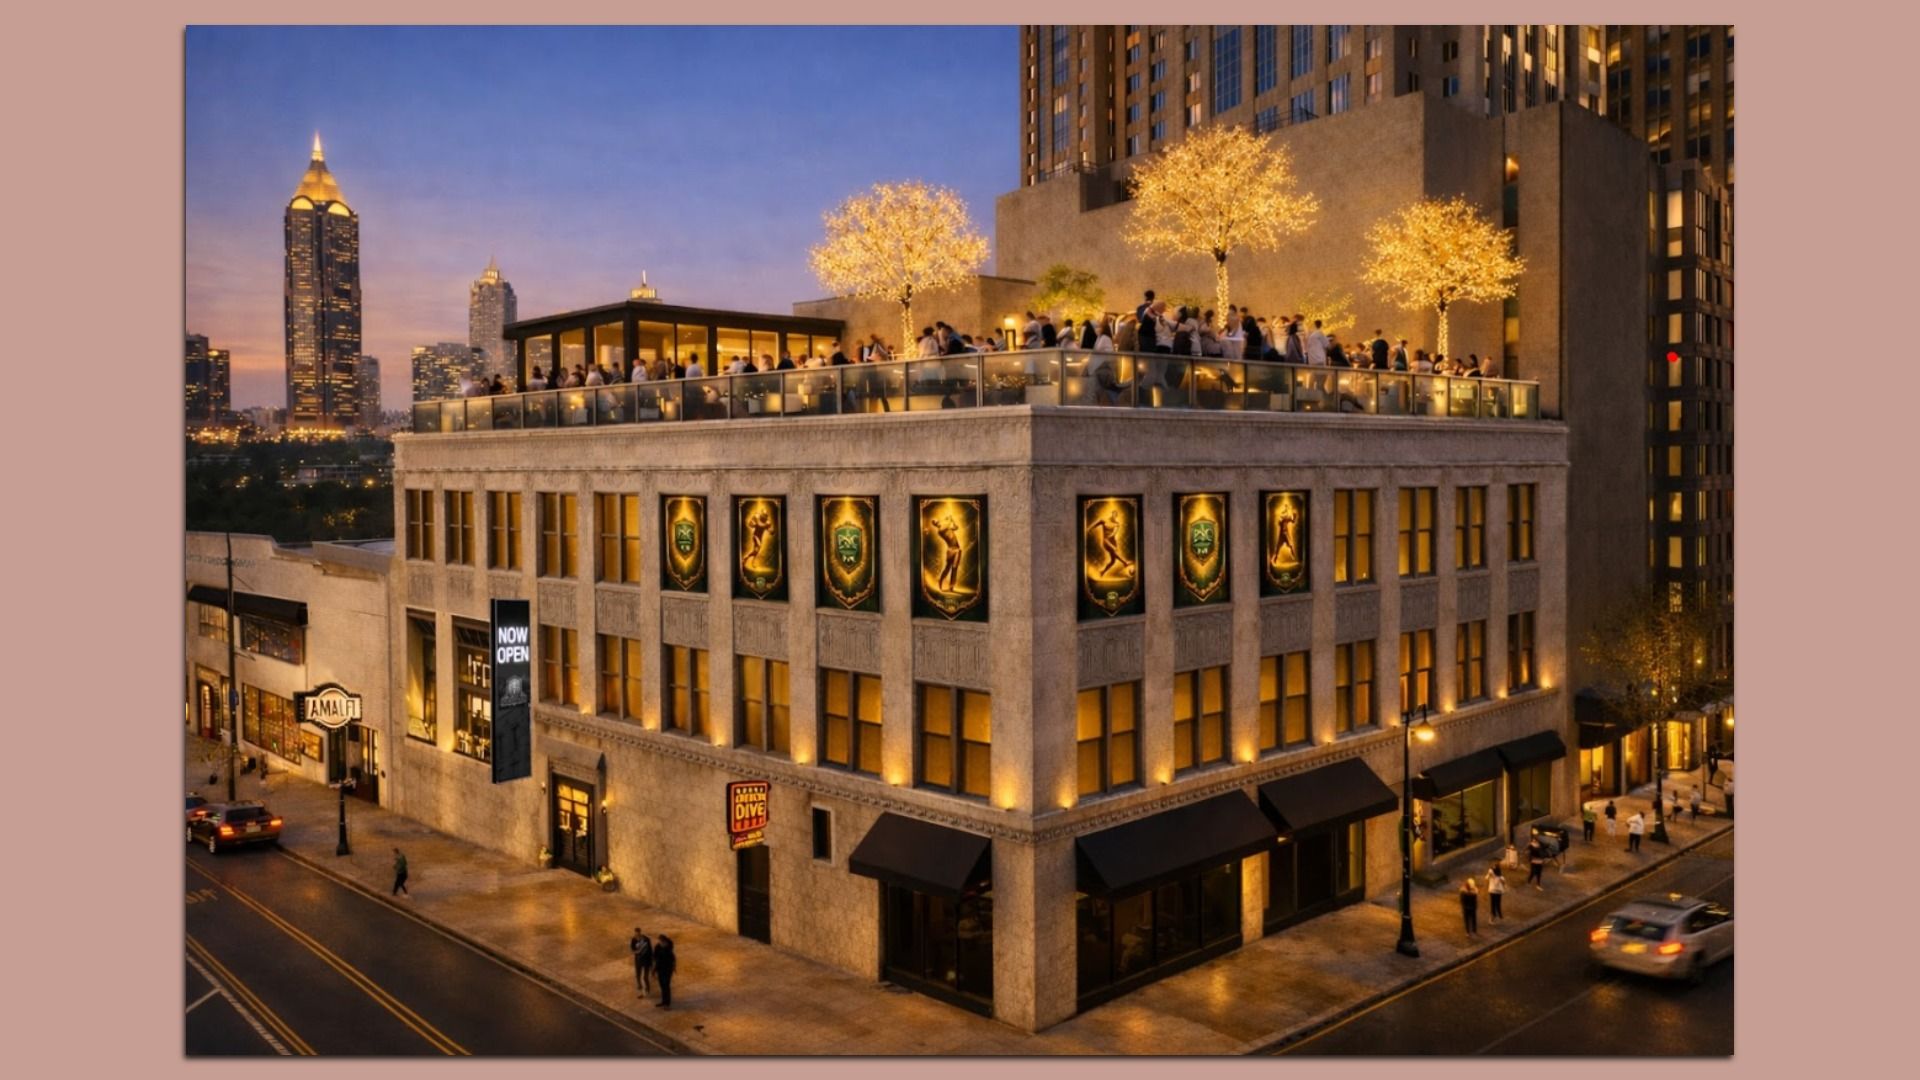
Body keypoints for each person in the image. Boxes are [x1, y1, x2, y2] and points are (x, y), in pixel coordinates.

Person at [652, 934, 676, 1008]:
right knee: (662, 986)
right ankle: (663, 1001)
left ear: (665, 942)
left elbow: (672, 960)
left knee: (666, 986)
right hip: (660, 969)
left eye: (662, 942)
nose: (660, 943)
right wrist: (654, 970)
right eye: (659, 941)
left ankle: (667, 1003)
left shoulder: (669, 949)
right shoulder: (658, 947)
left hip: (667, 971)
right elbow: (655, 958)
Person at [629, 927, 654, 998]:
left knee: (645, 977)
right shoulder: (633, 940)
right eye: (636, 933)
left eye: (638, 933)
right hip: (638, 960)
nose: (637, 935)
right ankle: (640, 987)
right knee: (638, 974)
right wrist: (637, 952)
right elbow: (632, 949)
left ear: (640, 932)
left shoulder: (646, 939)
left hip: (646, 960)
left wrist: (651, 961)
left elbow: (650, 950)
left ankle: (646, 990)